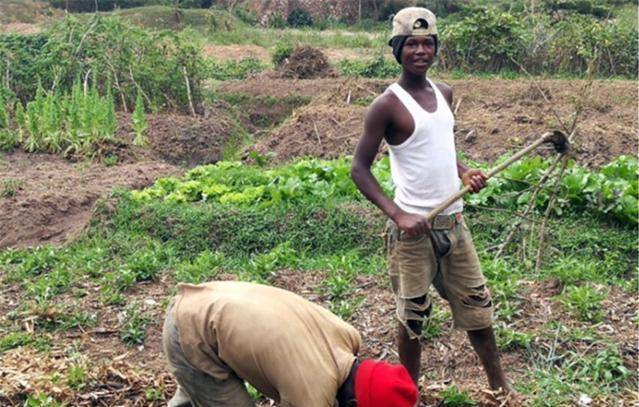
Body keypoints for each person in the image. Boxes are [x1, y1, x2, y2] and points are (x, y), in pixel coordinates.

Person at [350, 7, 511, 394]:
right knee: (413, 319)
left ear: (436, 47)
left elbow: (441, 147)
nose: (420, 51)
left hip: (454, 225)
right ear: (396, 48)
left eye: (427, 43)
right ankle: (410, 395)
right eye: (411, 44)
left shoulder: (445, 93)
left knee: (478, 308)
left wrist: (464, 171)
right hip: (414, 236)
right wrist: (398, 213)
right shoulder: (386, 105)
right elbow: (359, 169)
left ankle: (500, 388)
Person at [163, 280, 419, 407]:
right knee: (210, 391)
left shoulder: (348, 335)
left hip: (215, 297)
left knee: (198, 393)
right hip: (193, 331)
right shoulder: (311, 394)